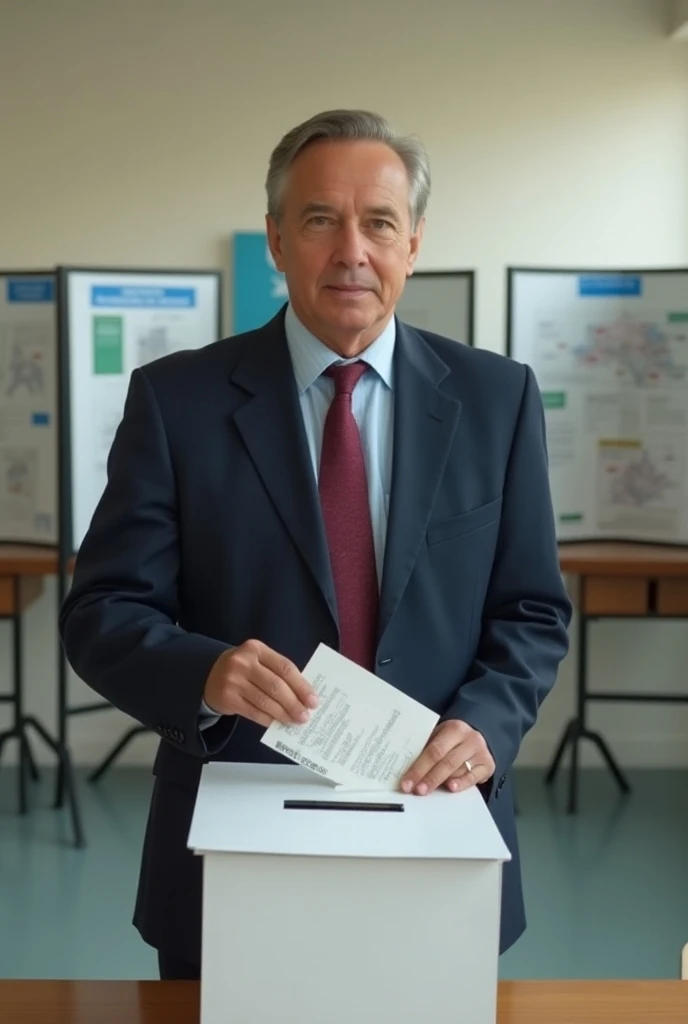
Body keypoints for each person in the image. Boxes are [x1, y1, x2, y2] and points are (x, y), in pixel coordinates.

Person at [59, 109, 572, 980]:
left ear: (413, 243)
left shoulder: (497, 399)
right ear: (276, 240)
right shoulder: (176, 403)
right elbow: (104, 612)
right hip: (231, 845)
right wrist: (204, 674)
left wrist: (485, 724)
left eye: (378, 222)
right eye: (320, 220)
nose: (351, 251)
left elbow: (531, 608)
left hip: (436, 828)